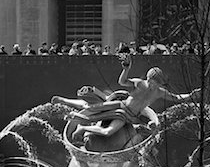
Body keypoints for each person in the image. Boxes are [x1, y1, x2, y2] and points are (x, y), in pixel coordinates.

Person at [52, 54, 199, 143]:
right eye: (154, 82)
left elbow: (177, 98)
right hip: (120, 106)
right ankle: (65, 102)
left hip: (128, 116)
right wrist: (126, 68)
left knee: (107, 131)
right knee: (89, 108)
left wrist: (191, 95)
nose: (155, 85)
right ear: (149, 79)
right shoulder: (140, 84)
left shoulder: (159, 92)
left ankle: (82, 127)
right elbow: (122, 82)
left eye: (158, 83)